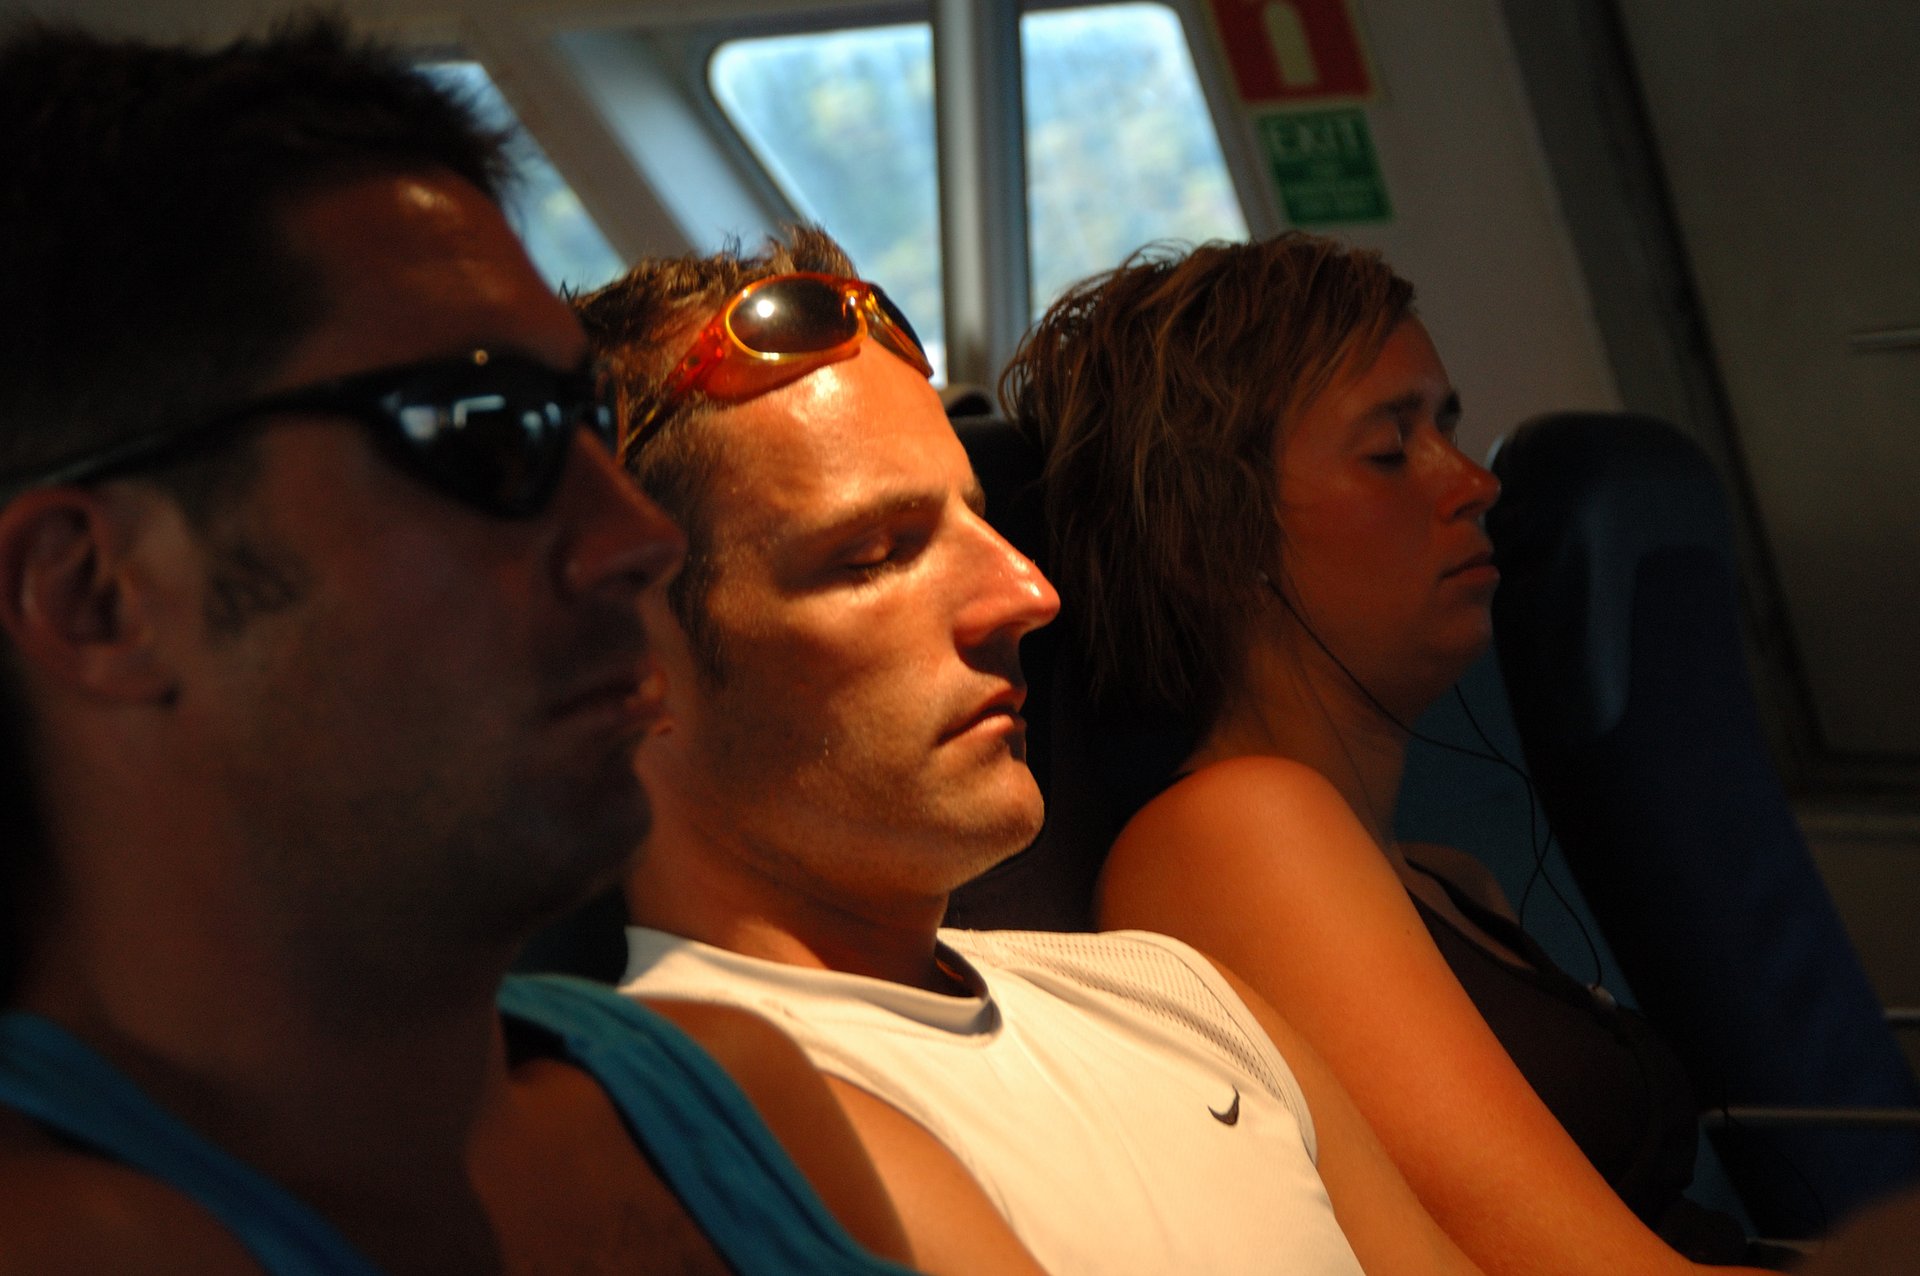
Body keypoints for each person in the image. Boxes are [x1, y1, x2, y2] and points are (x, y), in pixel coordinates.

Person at [0, 19, 924, 1274]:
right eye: (482, 430)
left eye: (589, 417)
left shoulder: (725, 1094)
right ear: (95, 595)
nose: (639, 537)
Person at [576, 228, 1489, 1276]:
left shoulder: (1179, 994)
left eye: (979, 520)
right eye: (876, 554)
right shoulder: (675, 1110)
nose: (1028, 593)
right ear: (629, 669)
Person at [1004, 234, 1778, 1275]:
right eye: (1389, 449)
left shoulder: (1446, 877)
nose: (1475, 483)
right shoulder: (1236, 833)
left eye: (1447, 428)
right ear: (1207, 540)